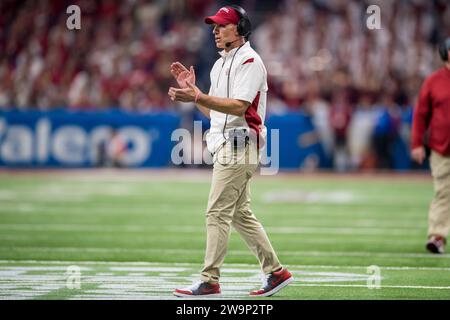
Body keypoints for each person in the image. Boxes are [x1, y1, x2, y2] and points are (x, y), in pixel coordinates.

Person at [168, 5, 293, 297]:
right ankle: (276, 273)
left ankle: (210, 280)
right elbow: (214, 112)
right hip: (227, 145)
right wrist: (194, 91)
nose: (214, 30)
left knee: (216, 212)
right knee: (240, 214)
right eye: (214, 26)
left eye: (222, 25)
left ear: (240, 29)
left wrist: (199, 95)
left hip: (239, 147)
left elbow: (239, 106)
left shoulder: (250, 60)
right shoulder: (219, 64)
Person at [411, 37, 450, 254]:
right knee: (443, 191)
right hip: (441, 147)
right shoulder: (433, 81)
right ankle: (437, 236)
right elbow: (421, 114)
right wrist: (417, 143)